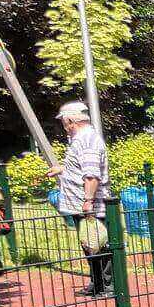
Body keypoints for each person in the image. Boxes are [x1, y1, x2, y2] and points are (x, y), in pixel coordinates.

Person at [54, 101, 113, 297]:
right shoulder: (80, 139)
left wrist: (88, 200)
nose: (63, 126)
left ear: (70, 120)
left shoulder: (87, 140)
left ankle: (108, 286)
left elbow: (91, 175)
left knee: (98, 245)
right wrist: (63, 169)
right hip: (82, 204)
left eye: (63, 122)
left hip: (90, 205)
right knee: (90, 245)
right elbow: (82, 166)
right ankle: (97, 283)